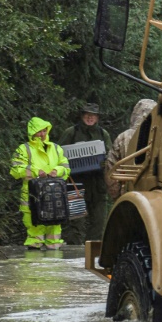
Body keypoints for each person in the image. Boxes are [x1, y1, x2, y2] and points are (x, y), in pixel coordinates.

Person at [10, 117, 71, 250]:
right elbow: (16, 170)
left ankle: (54, 264)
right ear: (32, 132)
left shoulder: (56, 148)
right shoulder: (23, 149)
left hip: (55, 197)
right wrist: (36, 172)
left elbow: (66, 167)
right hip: (32, 196)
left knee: (54, 235)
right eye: (39, 131)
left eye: (44, 131)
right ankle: (33, 264)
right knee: (34, 236)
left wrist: (58, 170)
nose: (42, 134)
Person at [58, 103, 112, 244]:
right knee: (76, 222)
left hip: (98, 185)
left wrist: (105, 163)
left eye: (93, 115)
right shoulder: (71, 132)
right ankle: (74, 254)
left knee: (99, 222)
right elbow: (58, 154)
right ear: (82, 116)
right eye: (87, 115)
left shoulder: (103, 134)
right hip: (76, 183)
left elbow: (111, 156)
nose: (90, 118)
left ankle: (93, 254)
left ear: (97, 118)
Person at [105, 99, 157, 199]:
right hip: (156, 194)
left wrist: (116, 196)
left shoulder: (123, 137)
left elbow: (111, 168)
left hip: (129, 193)